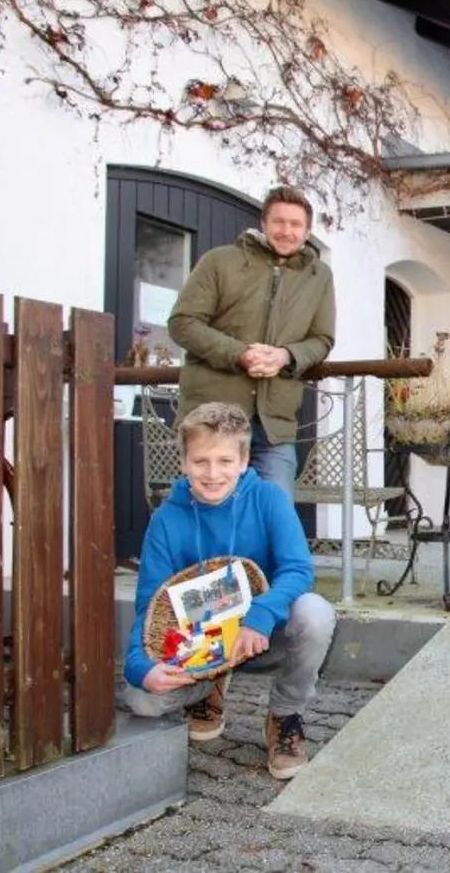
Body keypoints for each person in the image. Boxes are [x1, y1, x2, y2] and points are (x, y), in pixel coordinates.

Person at [122, 402, 336, 780]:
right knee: (142, 700)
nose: (212, 473)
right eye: (201, 461)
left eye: (224, 461)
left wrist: (262, 614)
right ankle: (208, 688)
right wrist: (140, 667)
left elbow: (298, 569)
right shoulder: (166, 520)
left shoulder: (268, 499)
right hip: (202, 642)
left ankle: (285, 715)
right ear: (185, 462)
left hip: (263, 635)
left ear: (243, 460)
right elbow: (150, 604)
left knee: (315, 612)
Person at [168, 185, 336, 500]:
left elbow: (322, 338)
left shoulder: (319, 276)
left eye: (296, 224)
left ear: (307, 230)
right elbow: (182, 323)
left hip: (275, 424)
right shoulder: (219, 261)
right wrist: (239, 354)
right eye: (279, 222)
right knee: (206, 512)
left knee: (276, 516)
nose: (287, 231)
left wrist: (286, 356)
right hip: (212, 418)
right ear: (263, 223)